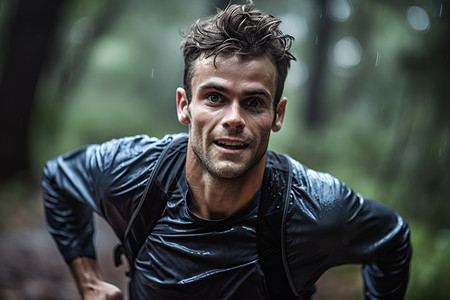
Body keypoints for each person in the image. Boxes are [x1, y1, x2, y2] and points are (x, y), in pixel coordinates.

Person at [42, 2, 411, 300]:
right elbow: (58, 179)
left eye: (253, 102)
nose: (233, 119)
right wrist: (88, 280)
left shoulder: (315, 208)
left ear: (277, 114)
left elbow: (393, 239)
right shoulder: (134, 171)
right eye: (215, 98)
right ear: (184, 106)